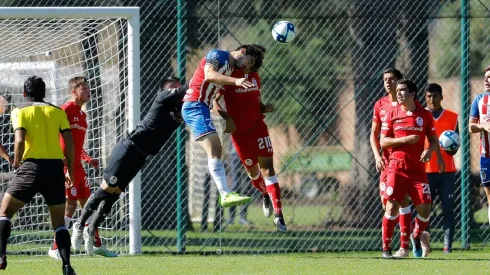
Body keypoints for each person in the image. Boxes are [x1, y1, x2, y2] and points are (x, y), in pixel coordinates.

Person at [71, 77, 187, 255]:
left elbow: (194, 103)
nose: (176, 92)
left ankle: (91, 229)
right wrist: (203, 77)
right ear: (164, 90)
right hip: (128, 149)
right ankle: (79, 224)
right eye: (173, 89)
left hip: (141, 157)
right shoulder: (161, 99)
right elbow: (186, 90)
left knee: (114, 195)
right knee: (105, 190)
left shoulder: (180, 108)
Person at [0, 76, 76, 274]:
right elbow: (69, 143)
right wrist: (69, 170)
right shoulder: (57, 112)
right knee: (59, 224)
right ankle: (67, 266)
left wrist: (16, 162)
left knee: (4, 213)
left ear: (24, 93)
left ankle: (0, 255)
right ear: (44, 94)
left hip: (31, 168)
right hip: (54, 171)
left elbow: (19, 140)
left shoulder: (19, 111)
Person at [213, 45, 286, 232]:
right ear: (242, 56)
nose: (251, 67)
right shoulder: (229, 76)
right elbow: (214, 102)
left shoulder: (254, 77)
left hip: (258, 128)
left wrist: (264, 108)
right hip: (239, 134)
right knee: (254, 175)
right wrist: (227, 118)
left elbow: (255, 101)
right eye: (250, 62)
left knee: (268, 169)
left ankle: (279, 216)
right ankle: (264, 194)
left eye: (254, 64)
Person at [182, 44, 264, 208]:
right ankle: (225, 194)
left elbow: (215, 99)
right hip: (194, 105)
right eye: (250, 61)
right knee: (215, 149)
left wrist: (227, 117)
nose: (247, 66)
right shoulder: (218, 55)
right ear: (242, 51)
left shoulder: (230, 71)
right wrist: (237, 81)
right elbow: (209, 75)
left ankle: (225, 194)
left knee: (217, 150)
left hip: (201, 107)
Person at [49, 77, 116, 259]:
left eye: (88, 87)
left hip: (78, 167)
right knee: (69, 207)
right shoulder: (65, 109)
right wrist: (58, 156)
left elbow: (76, 145)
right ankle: (55, 247)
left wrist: (87, 159)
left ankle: (96, 245)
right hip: (67, 167)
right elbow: (54, 134)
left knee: (89, 205)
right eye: (84, 88)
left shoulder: (82, 114)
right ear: (74, 91)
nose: (88, 90)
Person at [380, 79, 444, 258]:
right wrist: (403, 141)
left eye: (402, 90)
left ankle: (417, 235)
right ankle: (387, 249)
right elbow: (383, 142)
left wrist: (430, 150)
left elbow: (433, 139)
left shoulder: (424, 115)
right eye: (397, 90)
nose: (398, 93)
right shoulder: (392, 113)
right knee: (392, 207)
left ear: (412, 94)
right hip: (396, 168)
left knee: (425, 210)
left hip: (417, 171)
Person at [370, 68, 413, 257]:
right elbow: (373, 134)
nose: (388, 82)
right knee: (387, 204)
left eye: (391, 79)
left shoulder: (408, 104)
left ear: (399, 81)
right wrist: (377, 156)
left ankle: (402, 246)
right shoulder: (380, 104)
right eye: (385, 79)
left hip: (403, 162)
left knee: (402, 201)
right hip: (386, 162)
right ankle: (400, 240)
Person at [424, 83, 459, 254]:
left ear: (441, 97)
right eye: (429, 96)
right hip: (425, 171)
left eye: (435, 95)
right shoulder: (420, 117)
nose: (432, 99)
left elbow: (456, 145)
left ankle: (447, 247)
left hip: (447, 172)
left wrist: (452, 147)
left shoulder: (453, 117)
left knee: (448, 209)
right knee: (424, 211)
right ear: (425, 97)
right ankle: (424, 245)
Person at [469, 65, 490, 228]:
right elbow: (471, 127)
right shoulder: (479, 100)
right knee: (489, 195)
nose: (487, 81)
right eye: (485, 78)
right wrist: (483, 126)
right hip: (486, 156)